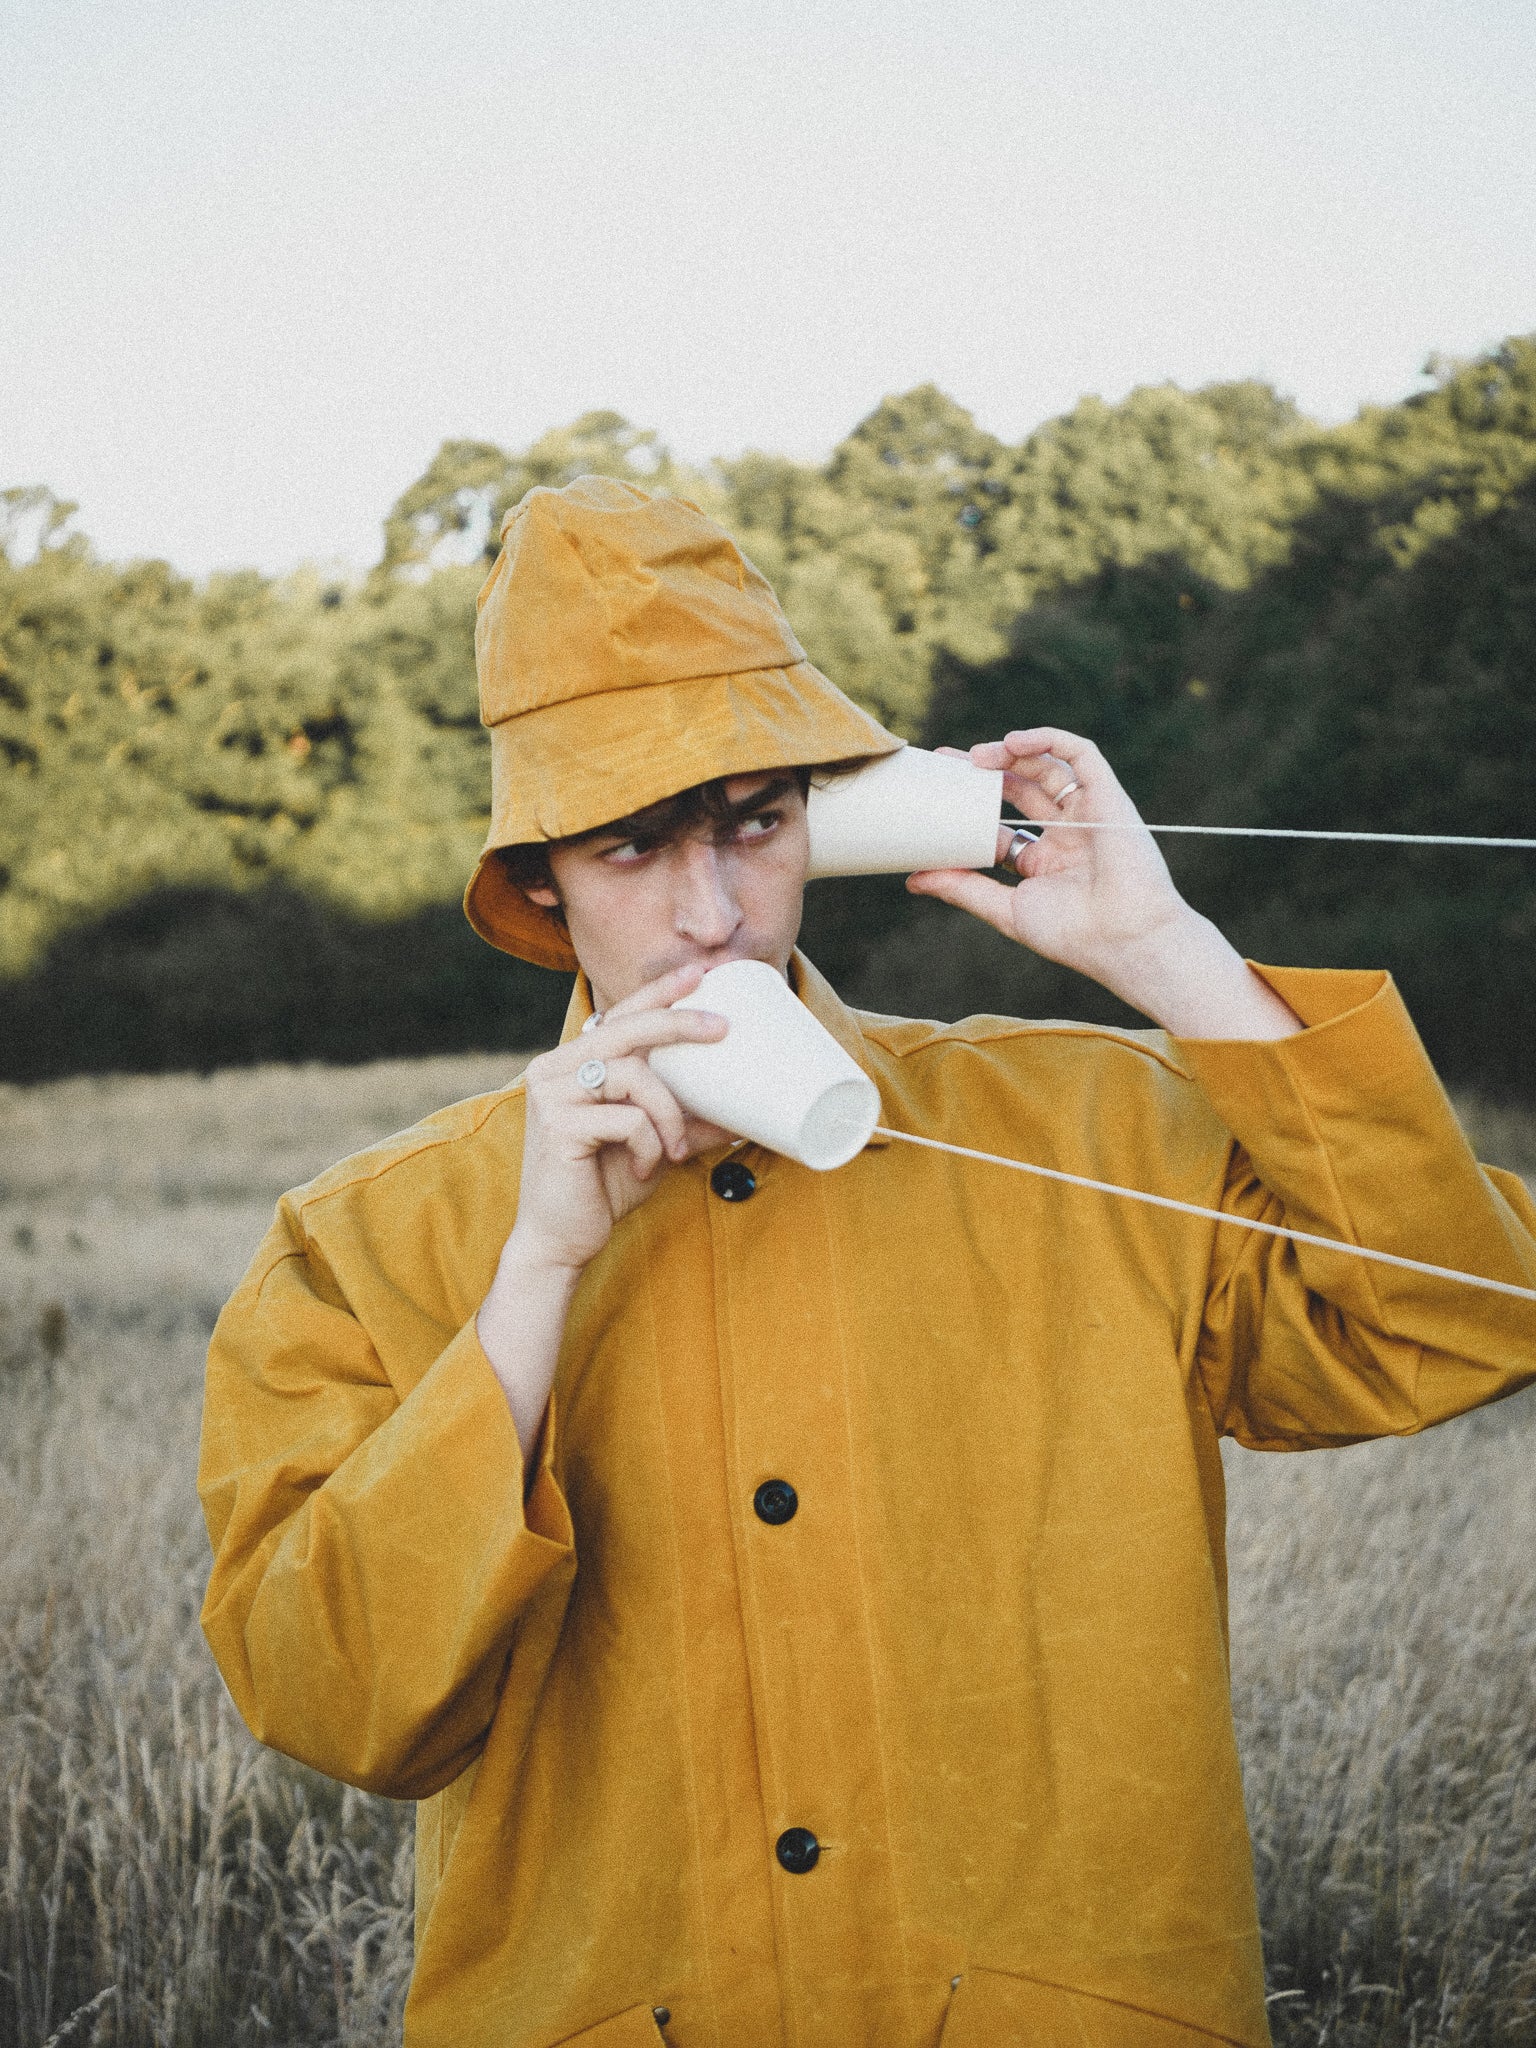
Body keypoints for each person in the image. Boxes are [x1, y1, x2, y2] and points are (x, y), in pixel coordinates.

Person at [198, 477, 1536, 2048]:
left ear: (825, 823)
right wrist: (537, 1277)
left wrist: (1168, 955)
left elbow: (1454, 1321)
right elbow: (339, 1700)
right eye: (633, 847)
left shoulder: (1084, 1121)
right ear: (539, 878)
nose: (712, 912)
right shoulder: (368, 1236)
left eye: (754, 824)